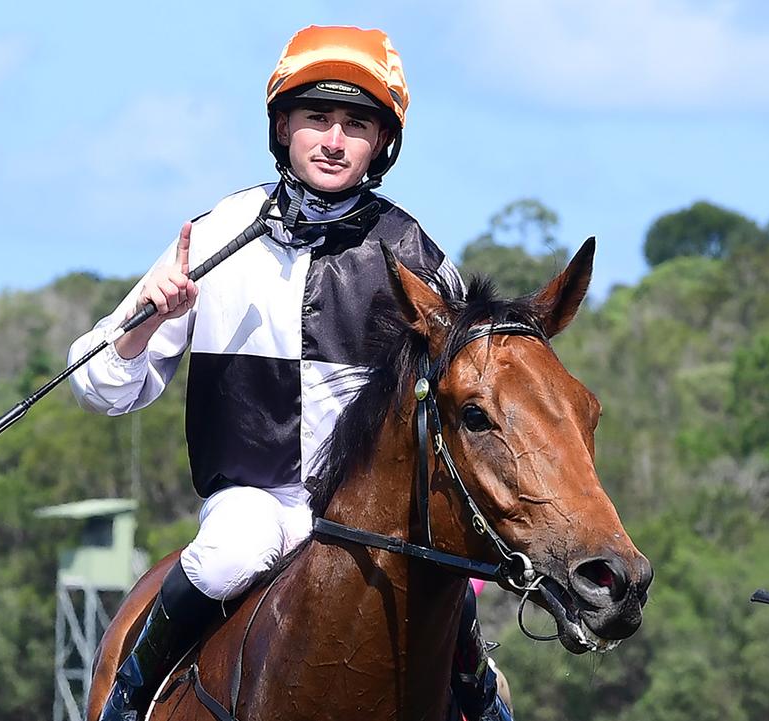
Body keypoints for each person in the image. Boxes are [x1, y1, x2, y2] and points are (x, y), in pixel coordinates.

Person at [69, 25, 513, 721]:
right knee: (222, 557)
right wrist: (149, 319)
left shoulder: (420, 257)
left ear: (381, 143)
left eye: (356, 124)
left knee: (452, 600)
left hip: (372, 516)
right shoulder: (214, 233)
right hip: (255, 499)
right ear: (283, 126)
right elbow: (98, 385)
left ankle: (485, 700)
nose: (334, 140)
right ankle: (126, 702)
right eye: (317, 118)